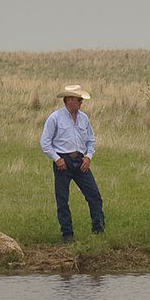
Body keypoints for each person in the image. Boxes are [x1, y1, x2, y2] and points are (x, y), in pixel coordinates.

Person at [40, 86, 104, 240]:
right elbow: (45, 142)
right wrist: (57, 159)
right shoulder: (55, 118)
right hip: (63, 160)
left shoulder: (84, 118)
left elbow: (91, 140)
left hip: (81, 160)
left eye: (81, 99)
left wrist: (88, 157)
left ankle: (99, 229)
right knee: (62, 198)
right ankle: (67, 234)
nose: (81, 102)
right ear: (69, 100)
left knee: (94, 195)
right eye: (78, 99)